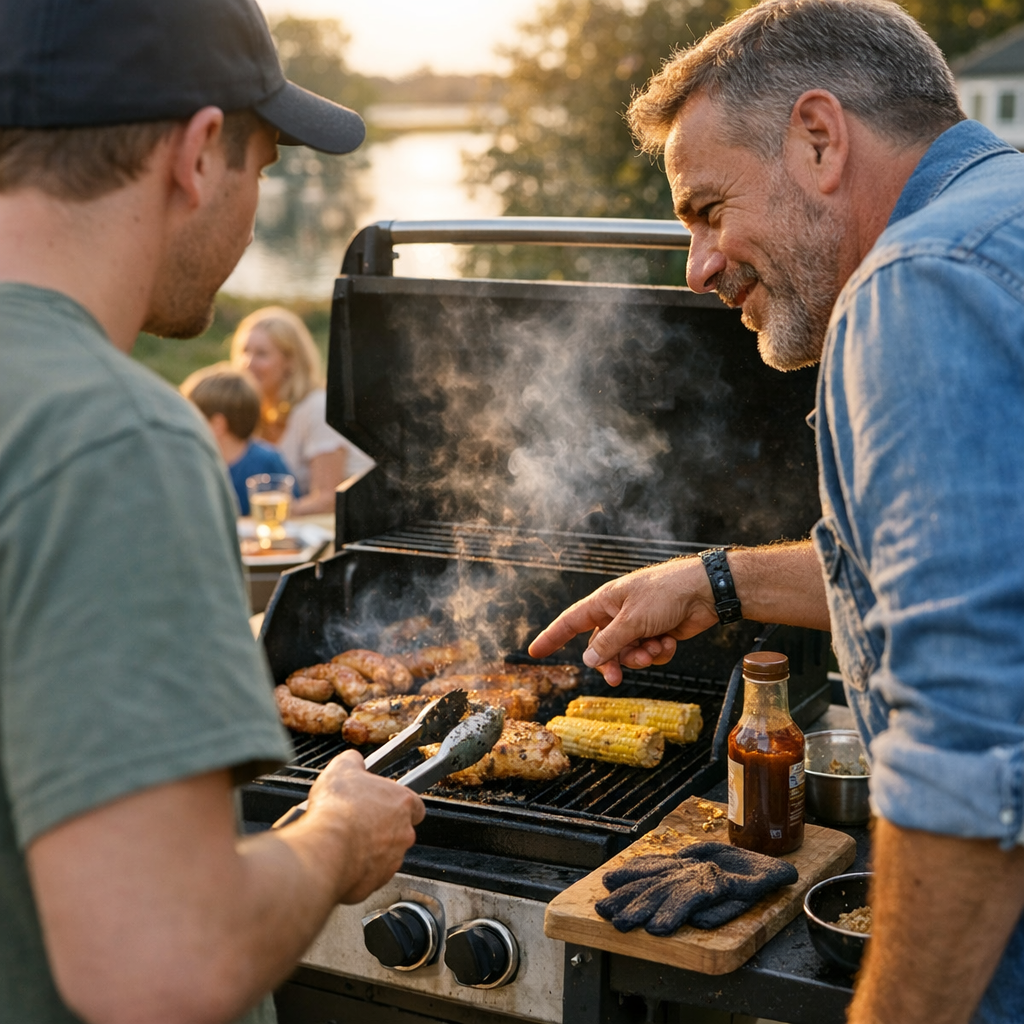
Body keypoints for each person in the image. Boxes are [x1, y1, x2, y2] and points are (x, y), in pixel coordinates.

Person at [528, 2, 1024, 1022]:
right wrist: (716, 582)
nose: (698, 266)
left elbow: (973, 757)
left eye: (708, 209)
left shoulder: (918, 286)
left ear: (819, 139)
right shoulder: (998, 220)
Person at [0, 3, 423, 1024]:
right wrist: (338, 834)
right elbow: (164, 961)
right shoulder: (112, 435)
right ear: (196, 154)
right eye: (263, 166)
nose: (253, 210)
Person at [230, 305, 375, 514]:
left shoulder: (317, 407)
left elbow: (328, 499)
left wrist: (263, 517)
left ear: (290, 361)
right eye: (245, 351)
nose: (248, 363)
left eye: (261, 354)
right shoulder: (254, 411)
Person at [181, 363, 293, 515]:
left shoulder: (267, 461)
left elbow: (292, 511)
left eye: (192, 418)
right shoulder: (191, 463)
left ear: (217, 425)